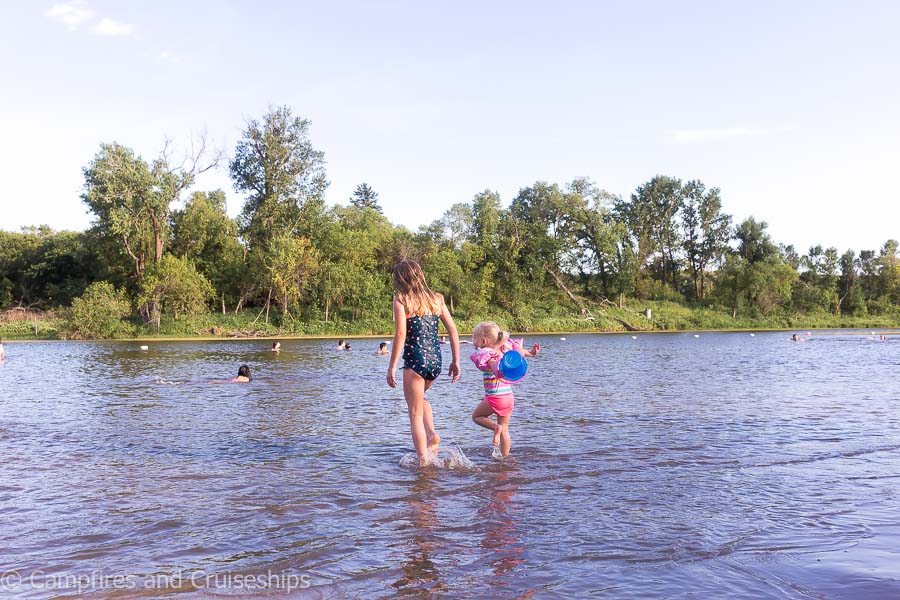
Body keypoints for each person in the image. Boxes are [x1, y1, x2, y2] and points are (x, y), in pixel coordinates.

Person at [387, 259, 460, 467]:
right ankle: (431, 435)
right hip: (435, 362)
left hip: (415, 361)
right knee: (419, 400)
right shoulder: (437, 299)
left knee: (414, 414)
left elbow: (401, 333)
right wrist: (456, 361)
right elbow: (453, 331)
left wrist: (391, 367)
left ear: (401, 279)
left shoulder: (401, 299)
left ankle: (423, 464)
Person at [470, 322, 540, 457]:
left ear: (483, 341)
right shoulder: (505, 350)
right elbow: (519, 355)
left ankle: (495, 427)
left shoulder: (488, 354)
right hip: (508, 396)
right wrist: (531, 353)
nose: (473, 340)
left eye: (474, 337)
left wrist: (497, 369)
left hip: (495, 397)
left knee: (477, 416)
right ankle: (505, 458)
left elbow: (493, 365)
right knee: (505, 429)